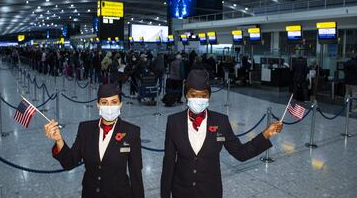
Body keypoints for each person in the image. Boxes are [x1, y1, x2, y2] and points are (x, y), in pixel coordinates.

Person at [160, 69, 283, 198]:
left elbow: (241, 153)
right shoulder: (174, 122)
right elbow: (168, 163)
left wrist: (266, 134)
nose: (198, 99)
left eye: (203, 95)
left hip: (210, 191)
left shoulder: (220, 121)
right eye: (193, 94)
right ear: (186, 95)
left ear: (209, 97)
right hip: (181, 191)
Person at [44, 84, 145, 198]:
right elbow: (69, 162)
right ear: (98, 105)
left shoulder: (131, 132)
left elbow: (136, 175)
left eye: (114, 102)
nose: (109, 107)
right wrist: (59, 140)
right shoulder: (85, 129)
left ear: (120, 104)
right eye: (104, 102)